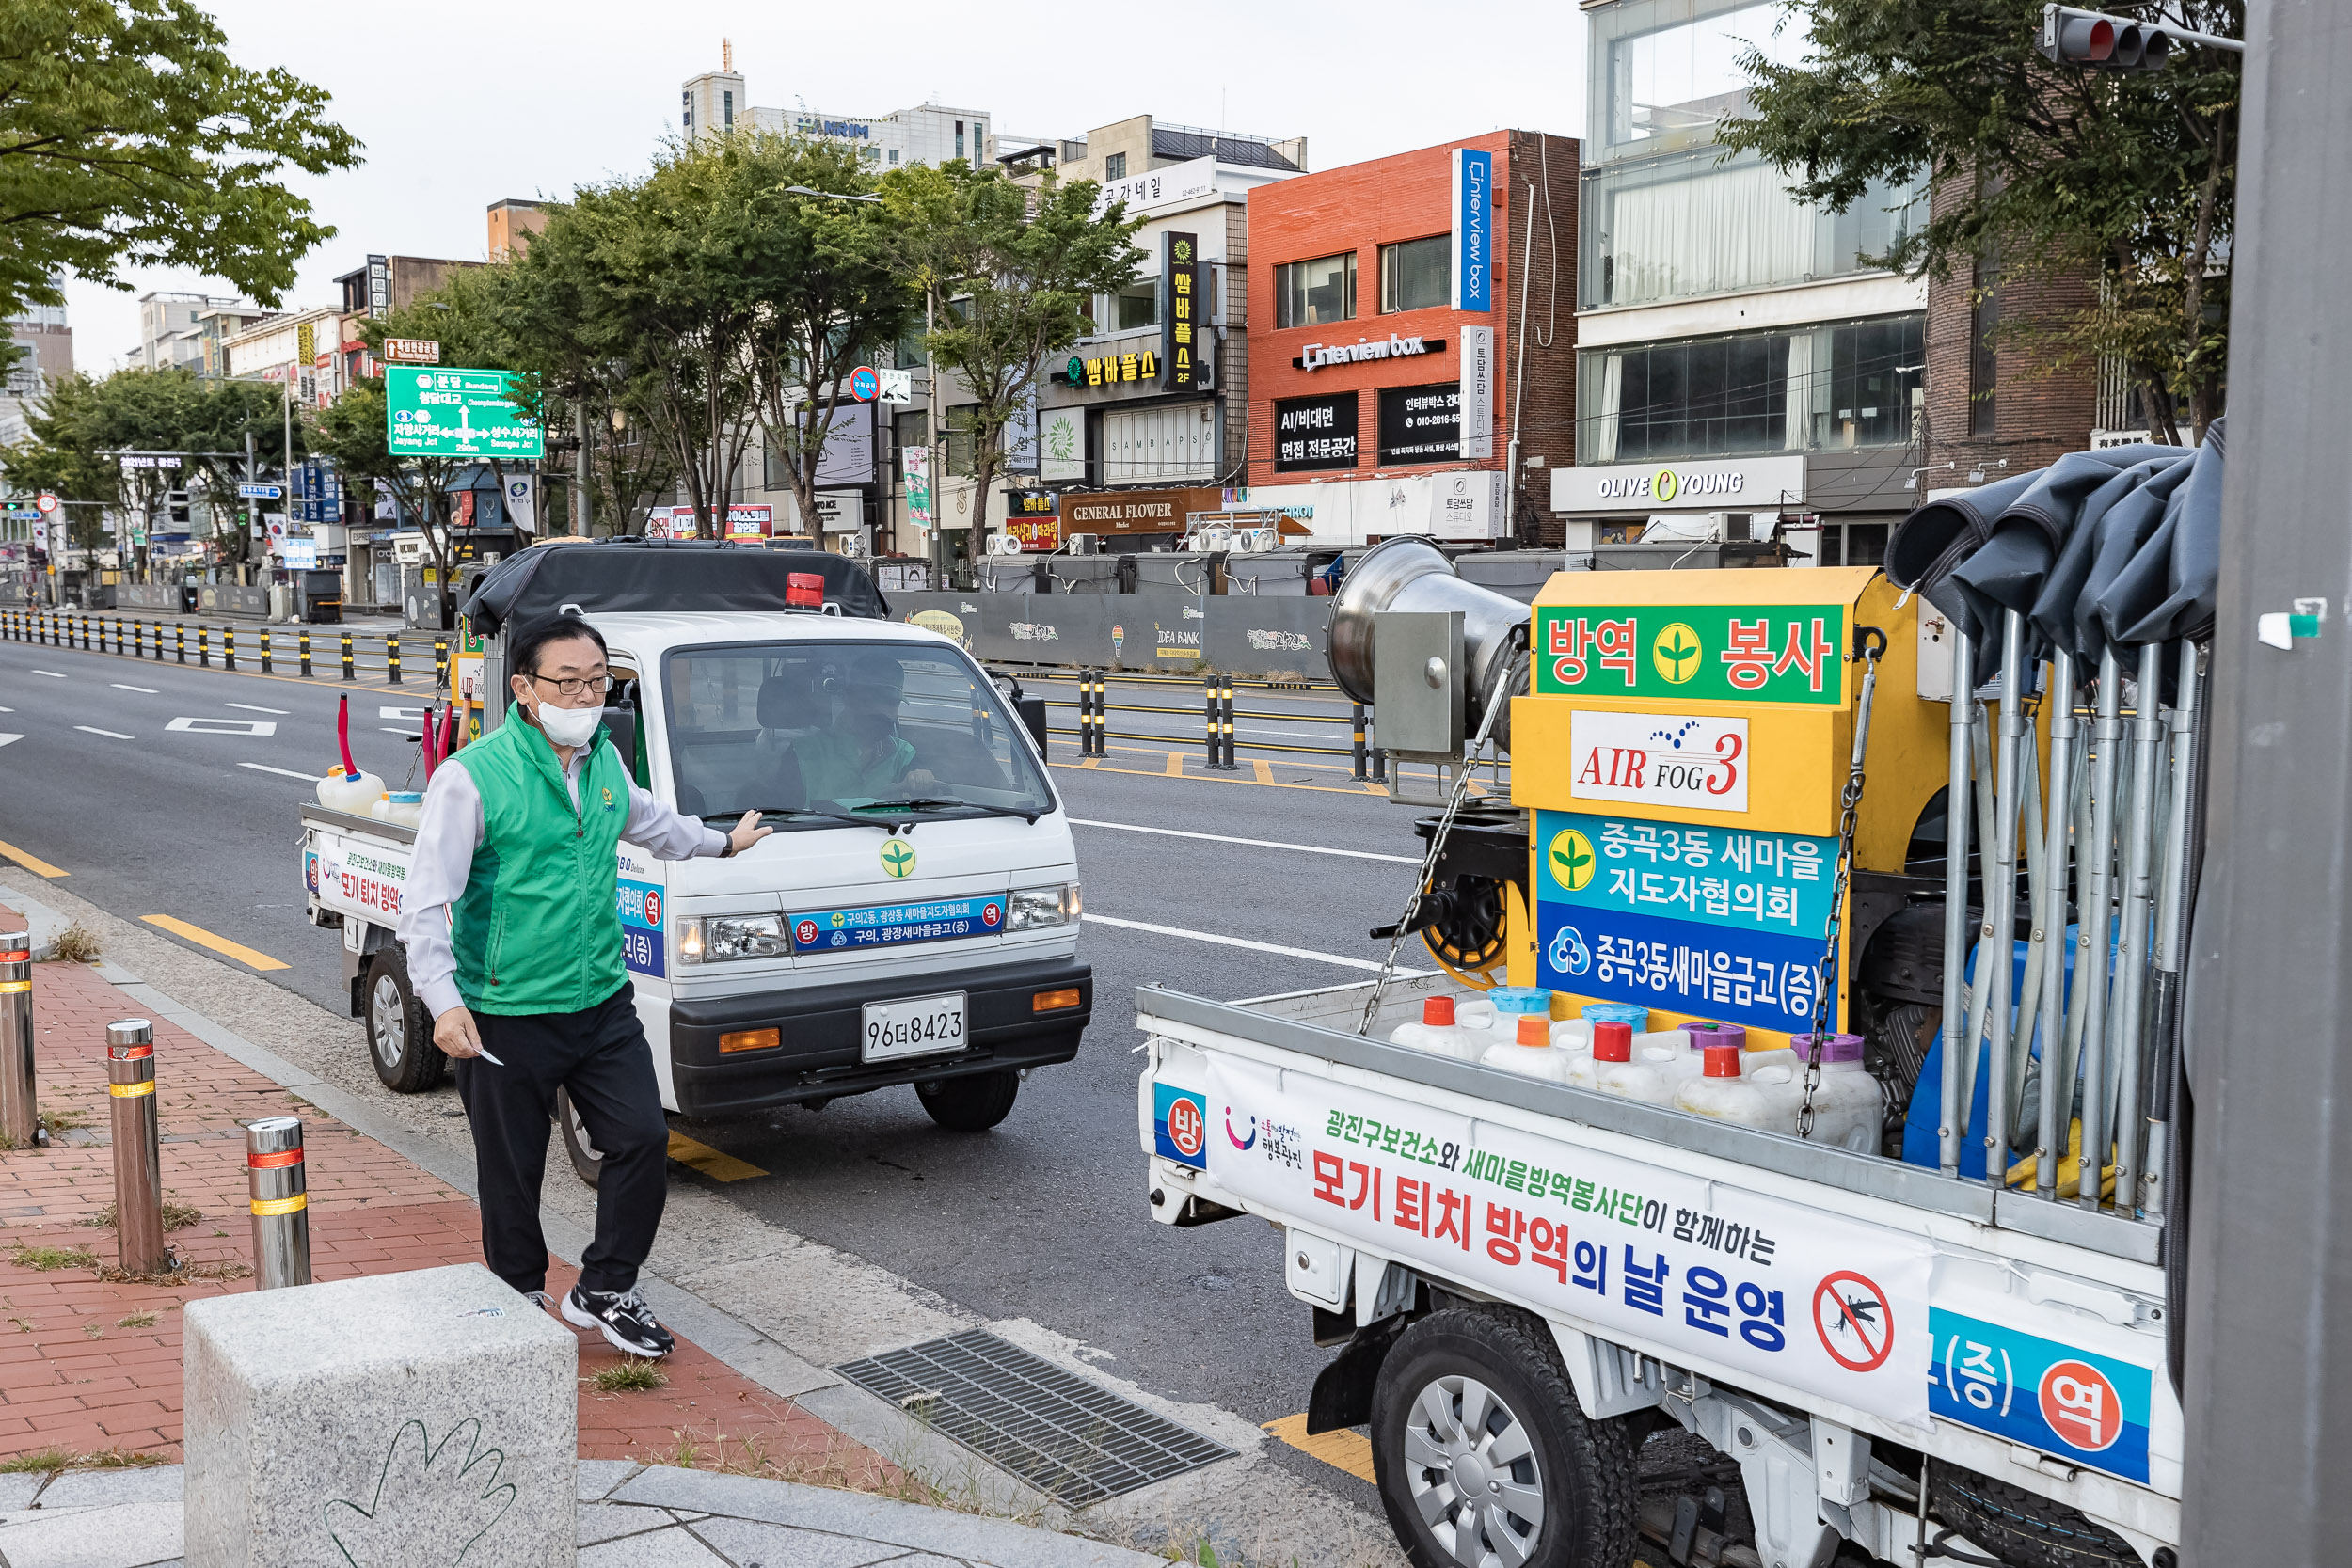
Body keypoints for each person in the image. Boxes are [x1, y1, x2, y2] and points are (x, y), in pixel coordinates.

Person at [395, 612, 770, 1356]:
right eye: (568, 682)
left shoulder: (602, 763)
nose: (586, 695)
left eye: (599, 681)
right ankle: (517, 1296)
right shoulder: (472, 776)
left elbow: (655, 824)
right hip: (505, 1012)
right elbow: (425, 901)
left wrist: (723, 842)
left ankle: (603, 1287)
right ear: (524, 689)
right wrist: (442, 1002)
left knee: (642, 1138)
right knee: (512, 1172)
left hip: (600, 1001)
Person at [785, 651, 937, 803]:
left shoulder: (904, 755)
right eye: (872, 699)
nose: (881, 710)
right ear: (849, 699)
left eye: (891, 703)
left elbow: (930, 811)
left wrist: (923, 780)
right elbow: (781, 819)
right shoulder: (802, 754)